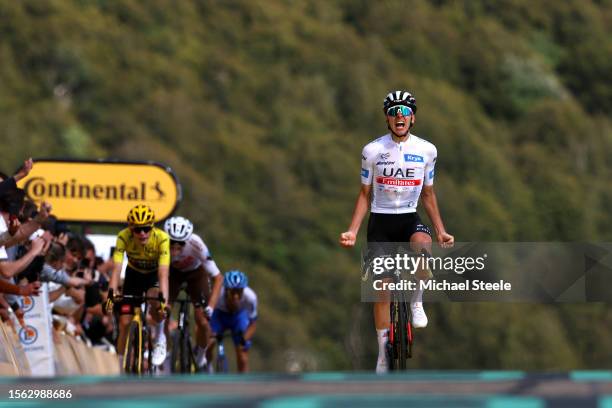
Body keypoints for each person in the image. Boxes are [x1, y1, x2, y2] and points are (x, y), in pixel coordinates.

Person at [339, 90, 454, 373]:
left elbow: (428, 194)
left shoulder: (428, 151)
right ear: (387, 119)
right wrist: (352, 231)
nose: (399, 116)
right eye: (393, 112)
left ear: (412, 118)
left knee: (423, 247)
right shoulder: (372, 151)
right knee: (382, 290)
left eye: (404, 112)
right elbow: (364, 195)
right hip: (381, 222)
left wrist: (441, 230)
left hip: (409, 218)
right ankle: (382, 352)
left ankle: (416, 301)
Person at [106, 204, 170, 368]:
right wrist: (110, 295)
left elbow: (163, 273)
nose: (142, 233)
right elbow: (116, 269)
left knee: (157, 305)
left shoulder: (162, 238)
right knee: (124, 322)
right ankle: (119, 364)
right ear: (130, 228)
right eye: (138, 230)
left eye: (146, 229)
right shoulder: (123, 237)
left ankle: (159, 338)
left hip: (153, 276)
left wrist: (163, 301)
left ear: (152, 227)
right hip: (133, 276)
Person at [164, 216, 223, 369]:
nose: (175, 249)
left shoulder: (197, 244)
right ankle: (164, 347)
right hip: (172, 274)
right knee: (163, 310)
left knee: (202, 320)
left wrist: (210, 306)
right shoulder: (160, 243)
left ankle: (201, 355)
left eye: (180, 245)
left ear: (188, 240)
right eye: (172, 243)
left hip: (196, 274)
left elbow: (218, 278)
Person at [207, 270, 257, 373]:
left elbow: (252, 325)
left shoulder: (251, 298)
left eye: (239, 292)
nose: (236, 296)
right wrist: (209, 333)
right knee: (209, 343)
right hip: (219, 315)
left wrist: (243, 340)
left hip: (238, 317)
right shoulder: (217, 295)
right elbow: (207, 317)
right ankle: (207, 367)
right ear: (225, 290)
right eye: (232, 292)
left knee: (242, 352)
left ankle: (244, 381)